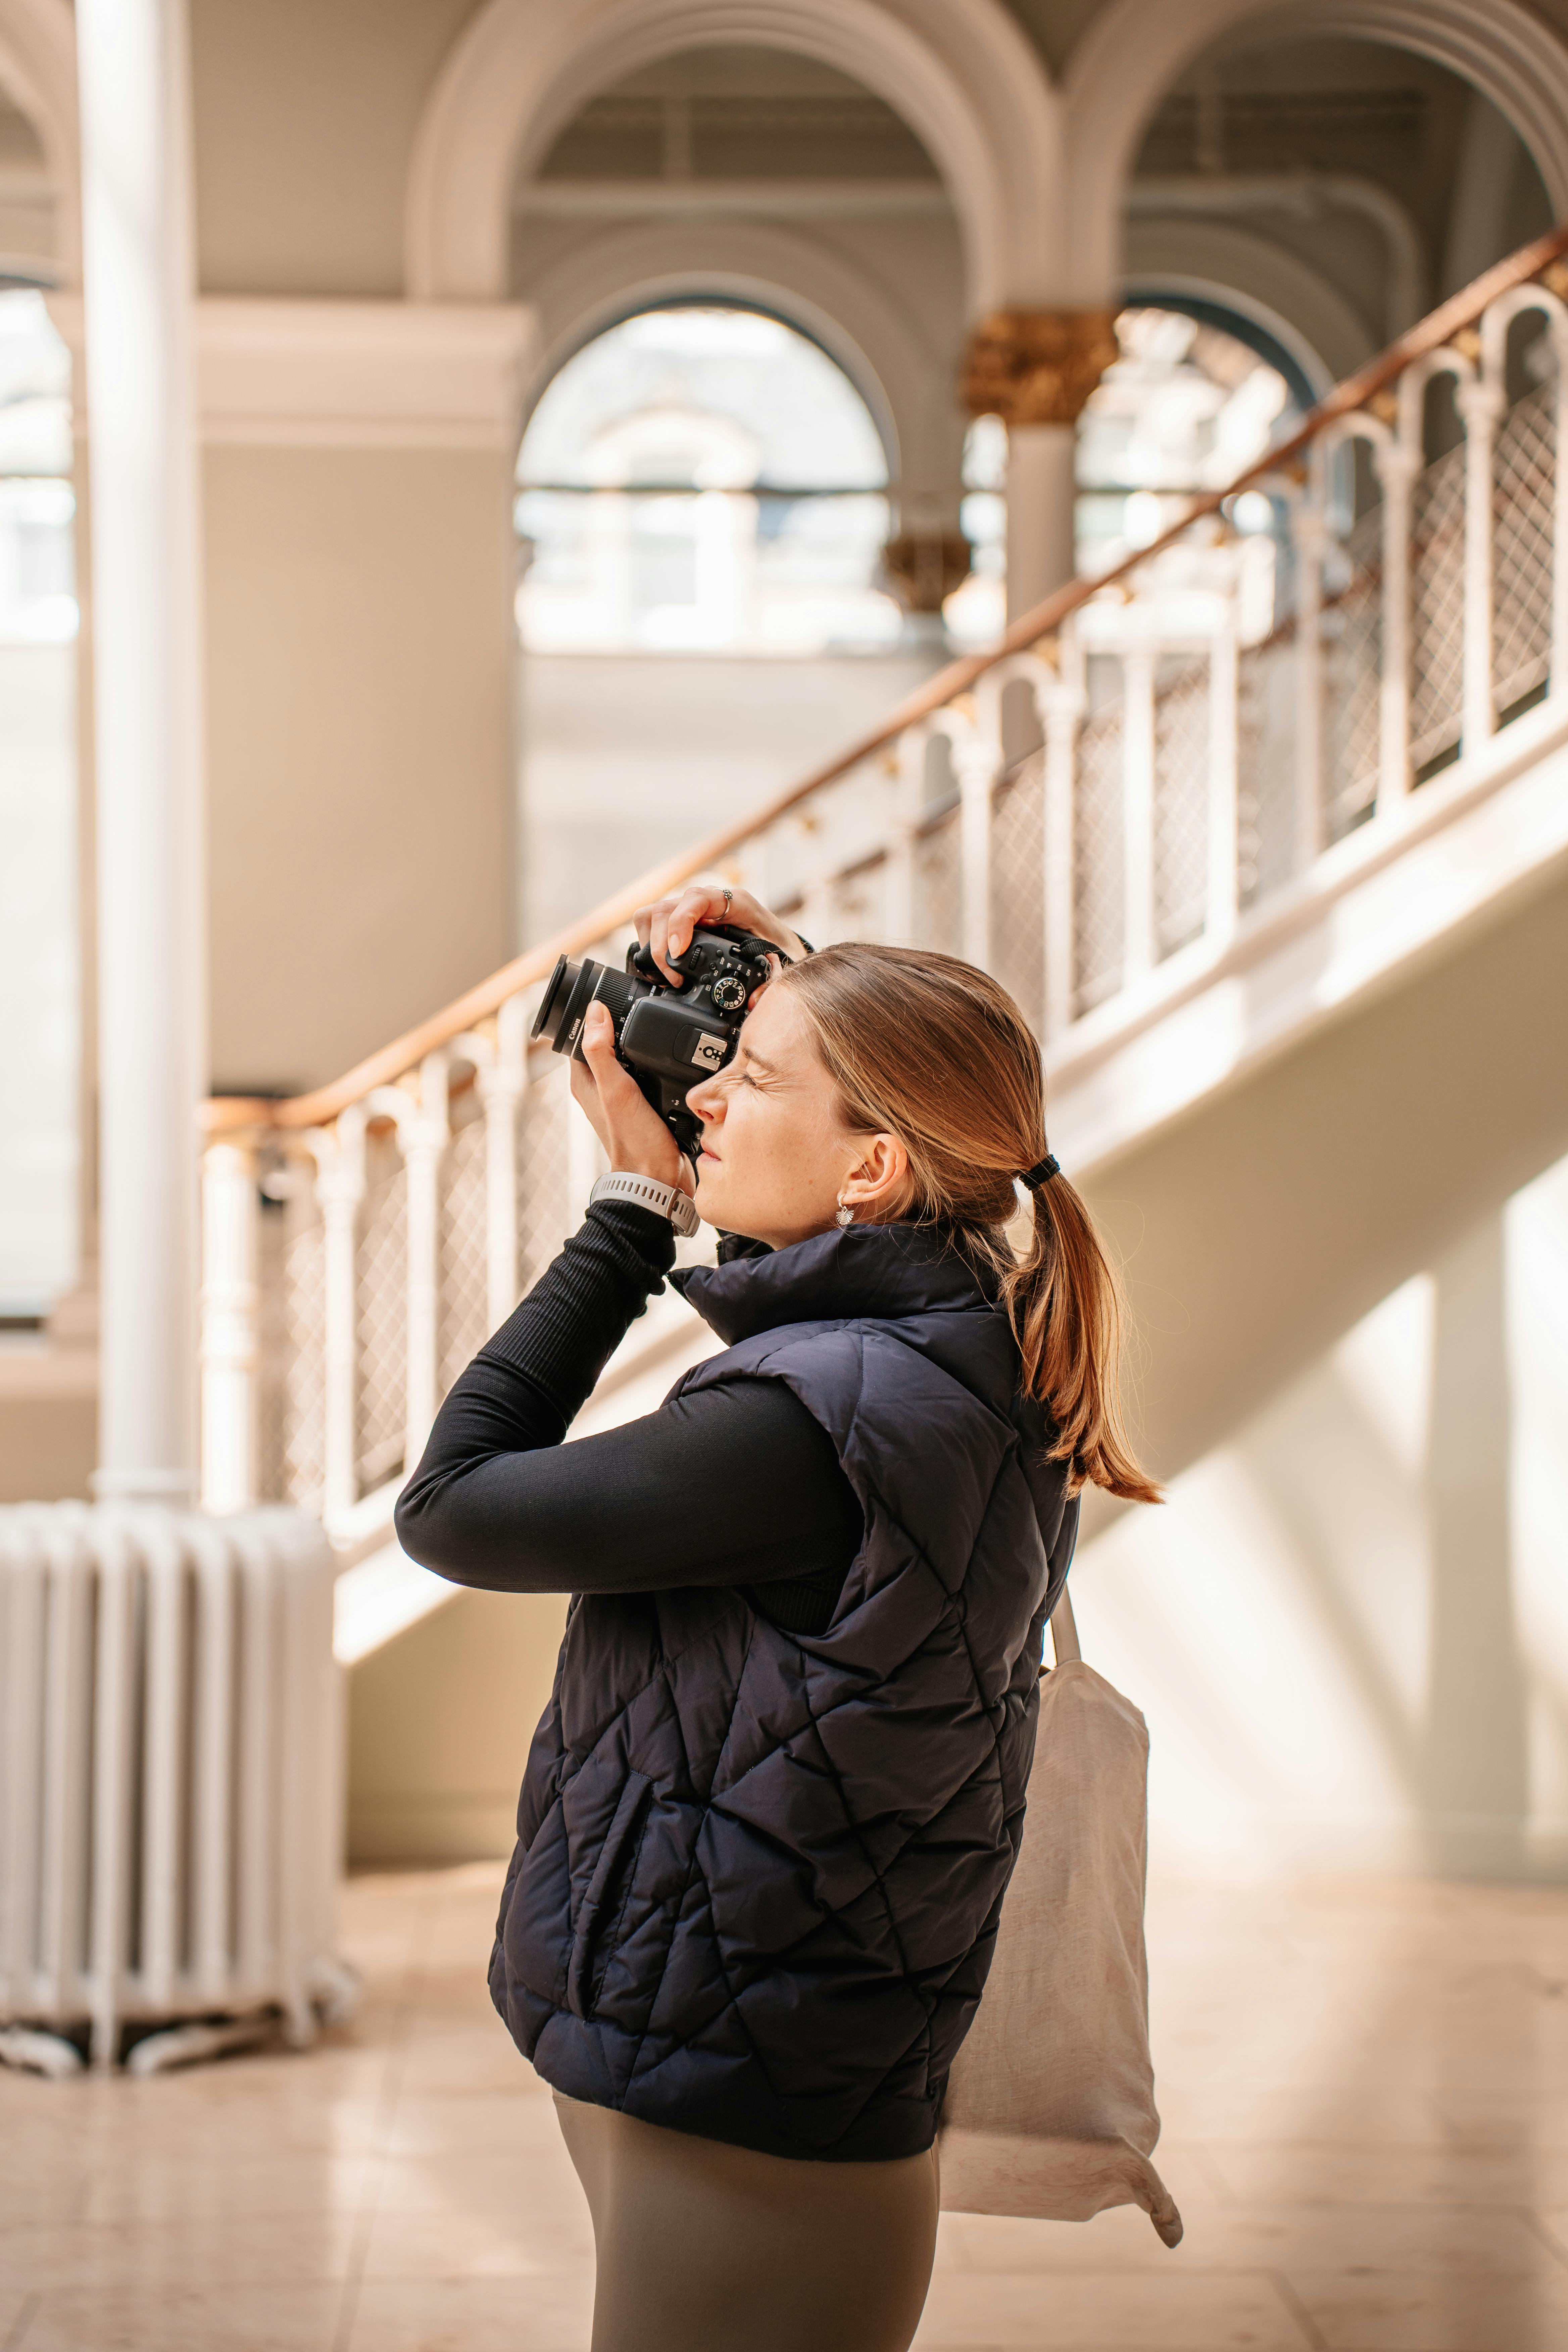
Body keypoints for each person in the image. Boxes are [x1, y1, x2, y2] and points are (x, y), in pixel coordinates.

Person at [395, 881, 1161, 2352]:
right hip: (721, 2045)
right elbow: (814, 1264)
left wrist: (630, 1215)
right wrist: (805, 992)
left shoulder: (811, 1427)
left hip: (747, 2090)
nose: (708, 1109)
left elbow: (453, 1506)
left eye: (750, 1078)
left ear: (874, 1167)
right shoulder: (947, 1337)